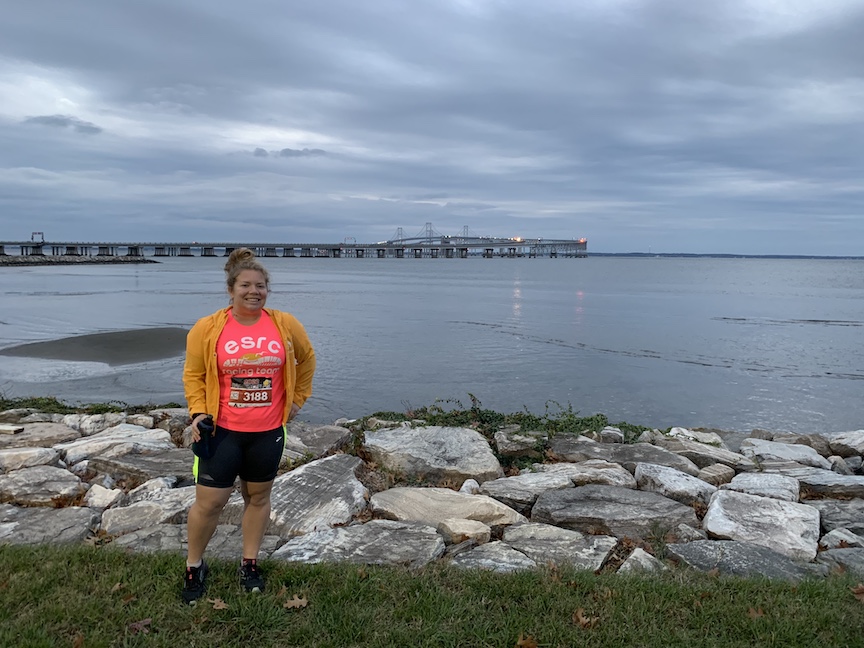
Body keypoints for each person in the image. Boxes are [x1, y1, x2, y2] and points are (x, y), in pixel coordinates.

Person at [181, 247, 316, 605]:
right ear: (231, 289)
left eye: (260, 285)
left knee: (257, 498)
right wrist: (197, 413)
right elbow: (193, 375)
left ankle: (250, 562)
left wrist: (298, 399)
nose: (254, 291)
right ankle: (194, 565)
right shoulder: (207, 328)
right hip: (222, 430)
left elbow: (307, 358)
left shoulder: (284, 324)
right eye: (246, 285)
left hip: (268, 430)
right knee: (209, 503)